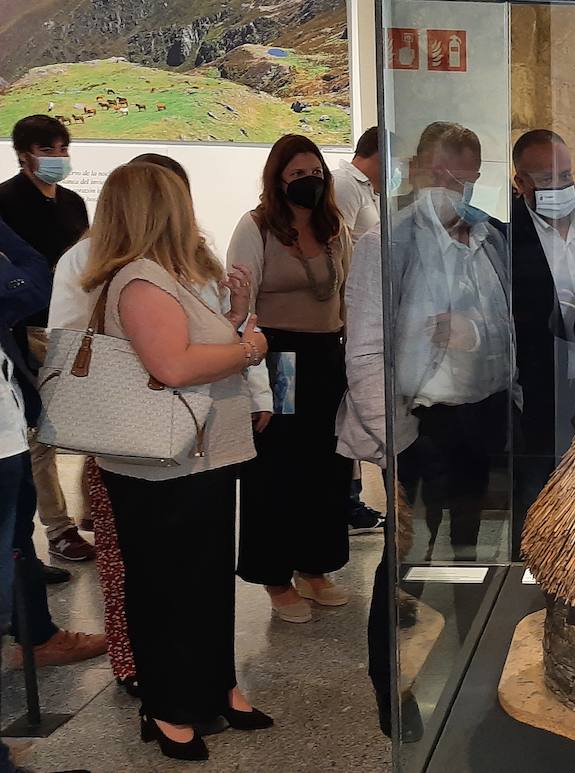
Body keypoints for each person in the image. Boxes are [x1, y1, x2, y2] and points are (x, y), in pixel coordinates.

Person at [47, 152, 272, 697]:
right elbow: (172, 363)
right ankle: (167, 698)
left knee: (202, 576)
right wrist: (247, 348)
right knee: (161, 581)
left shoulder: (177, 269)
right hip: (158, 455)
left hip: (198, 448)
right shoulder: (140, 279)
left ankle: (214, 684)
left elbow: (196, 341)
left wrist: (235, 316)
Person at [336, 121, 513, 735]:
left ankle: (477, 669)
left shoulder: (491, 238)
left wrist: (477, 335)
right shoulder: (384, 245)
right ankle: (394, 693)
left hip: (481, 422)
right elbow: (363, 353)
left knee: (474, 556)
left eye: (465, 174)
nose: (454, 184)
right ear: (417, 168)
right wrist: (394, 442)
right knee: (404, 564)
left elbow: (506, 330)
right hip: (415, 425)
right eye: (442, 172)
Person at [228, 134, 354, 623]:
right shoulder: (256, 227)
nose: (310, 181)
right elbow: (240, 304)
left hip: (327, 353)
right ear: (278, 179)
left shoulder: (333, 227)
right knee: (279, 466)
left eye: (316, 172)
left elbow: (346, 294)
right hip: (278, 357)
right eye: (298, 175)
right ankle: (275, 576)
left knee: (328, 465)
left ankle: (315, 566)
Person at [0, 215, 105, 676]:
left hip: (8, 419)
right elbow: (31, 282)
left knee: (15, 535)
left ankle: (36, 633)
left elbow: (29, 280)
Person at [508, 129, 575, 551]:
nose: (560, 187)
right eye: (546, 179)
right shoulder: (506, 235)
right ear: (521, 183)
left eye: (566, 175)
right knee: (536, 493)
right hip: (538, 389)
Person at [0, 115, 94, 564]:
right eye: (48, 150)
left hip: (74, 326)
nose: (58, 158)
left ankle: (94, 508)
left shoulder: (74, 202)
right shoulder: (5, 201)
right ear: (24, 154)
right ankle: (58, 527)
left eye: (63, 149)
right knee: (42, 434)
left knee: (87, 422)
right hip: (29, 329)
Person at [330, 126, 387, 535]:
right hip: (353, 306)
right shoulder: (346, 186)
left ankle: (351, 498)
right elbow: (342, 247)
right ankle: (347, 500)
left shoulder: (370, 190)